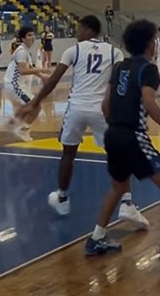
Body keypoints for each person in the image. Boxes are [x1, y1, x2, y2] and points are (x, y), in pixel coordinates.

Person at [16, 16, 148, 228]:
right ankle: (127, 202)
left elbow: (53, 80)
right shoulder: (115, 52)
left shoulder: (74, 51)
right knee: (118, 155)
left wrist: (35, 102)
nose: (78, 33)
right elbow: (119, 83)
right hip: (101, 110)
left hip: (76, 108)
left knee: (68, 154)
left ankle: (62, 198)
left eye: (79, 29)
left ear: (88, 29)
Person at [85, 19, 160, 265]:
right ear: (150, 43)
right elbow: (149, 102)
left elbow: (105, 104)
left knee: (117, 187)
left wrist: (115, 124)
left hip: (112, 133)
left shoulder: (119, 67)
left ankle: (96, 238)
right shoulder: (148, 68)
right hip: (133, 135)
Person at [4, 27, 49, 140]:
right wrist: (41, 70)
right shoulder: (22, 51)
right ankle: (22, 130)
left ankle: (13, 122)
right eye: (29, 35)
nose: (32, 37)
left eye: (33, 34)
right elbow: (23, 70)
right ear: (23, 38)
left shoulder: (24, 50)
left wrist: (42, 76)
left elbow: (29, 67)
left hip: (17, 85)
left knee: (29, 105)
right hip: (15, 85)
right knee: (36, 106)